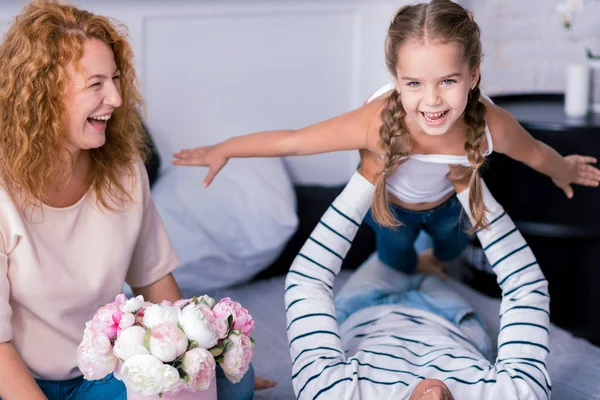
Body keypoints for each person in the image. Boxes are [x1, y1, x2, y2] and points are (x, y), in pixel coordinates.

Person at [172, 0, 600, 278]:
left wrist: (563, 168)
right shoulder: (378, 121)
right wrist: (224, 149)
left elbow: (533, 153)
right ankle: (412, 266)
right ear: (396, 79)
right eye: (413, 83)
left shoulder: (490, 123)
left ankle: (439, 262)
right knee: (398, 259)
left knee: (451, 248)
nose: (431, 100)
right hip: (391, 208)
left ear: (474, 76)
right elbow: (295, 141)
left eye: (448, 81)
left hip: (447, 203)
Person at [0, 2, 259, 399]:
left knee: (232, 379)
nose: (117, 99)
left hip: (108, 372)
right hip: (21, 380)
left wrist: (200, 360)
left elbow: (152, 277)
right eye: (96, 84)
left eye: (116, 80)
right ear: (42, 93)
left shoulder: (124, 168)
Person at [284, 147, 551, 399]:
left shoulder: (331, 394)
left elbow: (308, 281)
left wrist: (366, 176)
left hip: (360, 308)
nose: (436, 393)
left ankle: (414, 246)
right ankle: (426, 250)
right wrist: (469, 189)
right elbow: (525, 287)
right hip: (448, 318)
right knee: (432, 233)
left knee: (396, 242)